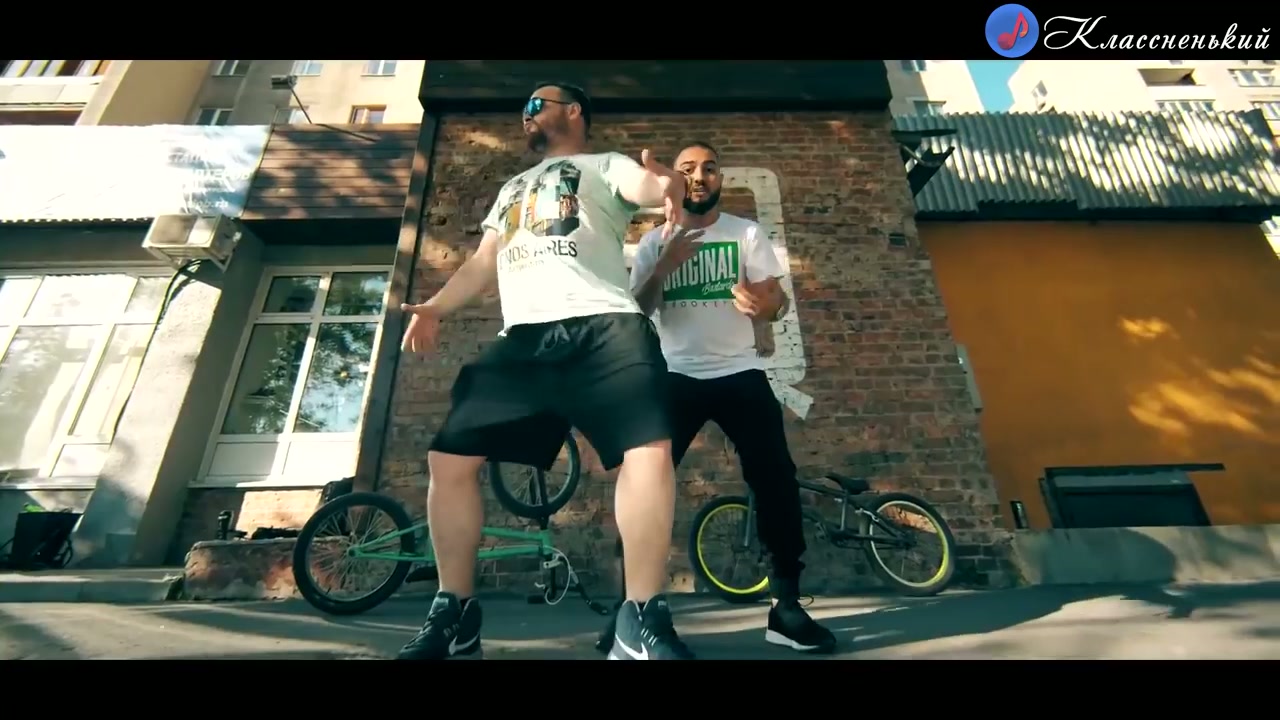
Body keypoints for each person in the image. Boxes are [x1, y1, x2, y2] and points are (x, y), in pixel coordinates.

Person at [395, 82, 700, 661]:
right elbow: (483, 262)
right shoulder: (512, 188)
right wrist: (435, 306)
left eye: (537, 104)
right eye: (524, 108)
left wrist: (668, 185)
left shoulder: (603, 165)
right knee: (449, 459)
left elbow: (646, 186)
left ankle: (640, 616)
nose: (526, 114)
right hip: (524, 339)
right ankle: (455, 612)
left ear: (573, 111)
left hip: (606, 325)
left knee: (648, 450)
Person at [603, 140, 837, 654]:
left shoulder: (745, 233)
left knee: (775, 479)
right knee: (641, 486)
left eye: (709, 168)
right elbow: (638, 311)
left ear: (720, 180)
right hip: (675, 376)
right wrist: (663, 267)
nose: (699, 176)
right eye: (688, 168)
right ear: (675, 179)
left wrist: (765, 308)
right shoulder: (655, 241)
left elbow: (775, 299)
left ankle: (786, 607)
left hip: (740, 373)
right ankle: (631, 610)